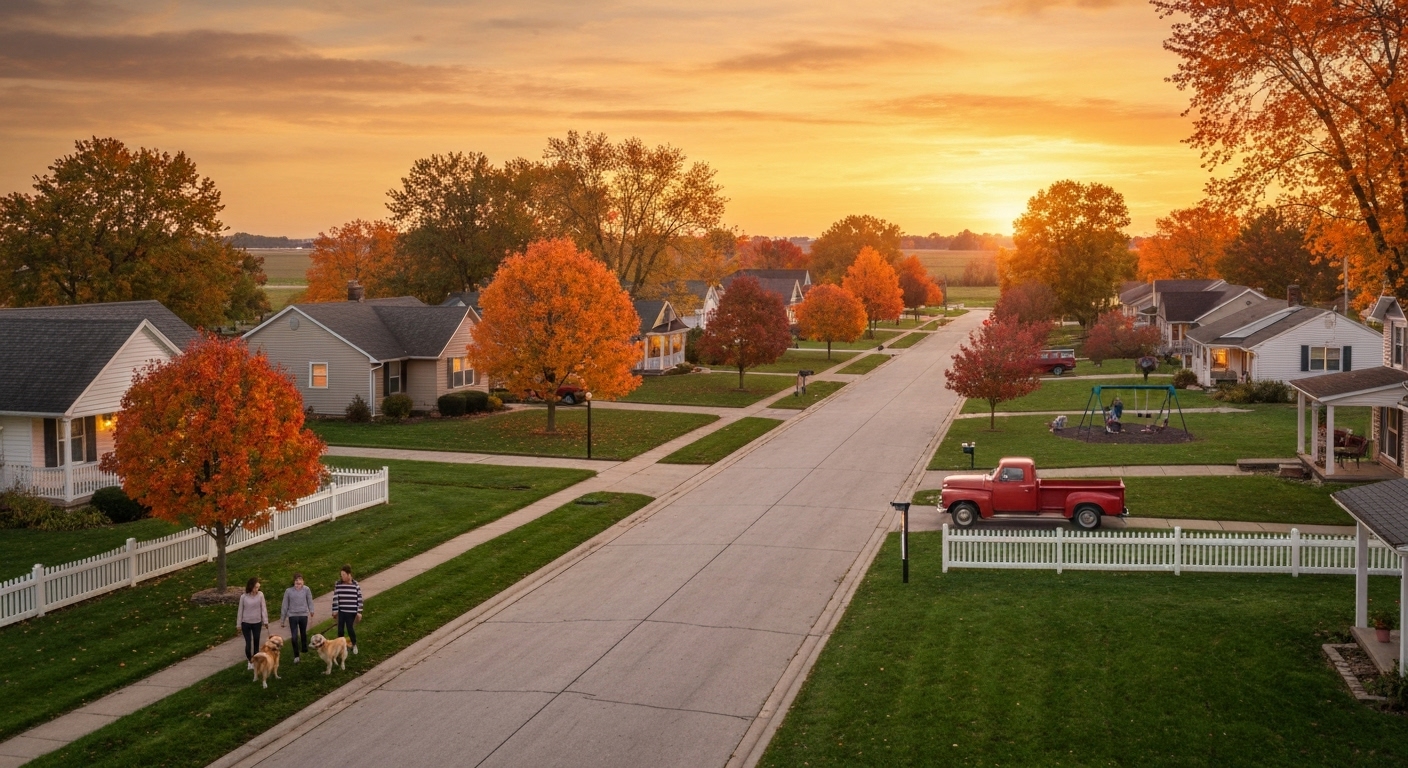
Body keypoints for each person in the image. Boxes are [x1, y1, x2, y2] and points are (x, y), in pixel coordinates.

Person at [280, 572, 315, 664]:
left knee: (303, 633)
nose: (298, 583)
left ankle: (304, 649)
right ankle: (296, 655)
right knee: (294, 637)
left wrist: (311, 610)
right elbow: (284, 605)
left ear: (303, 581)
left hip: (303, 615)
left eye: (300, 581)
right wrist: (282, 620)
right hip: (293, 616)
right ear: (294, 582)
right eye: (296, 581)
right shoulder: (288, 591)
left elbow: (310, 600)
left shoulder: (306, 589)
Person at [237, 577, 269, 670]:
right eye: (255, 587)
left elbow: (263, 608)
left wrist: (265, 621)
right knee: (248, 643)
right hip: (246, 623)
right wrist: (238, 624)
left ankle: (255, 660)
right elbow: (240, 611)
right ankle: (249, 660)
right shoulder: (244, 597)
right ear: (251, 586)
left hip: (257, 622)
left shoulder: (260, 595)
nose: (257, 589)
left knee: (256, 641)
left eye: (258, 587)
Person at [331, 564, 363, 655]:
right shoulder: (338, 584)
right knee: (340, 630)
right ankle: (341, 647)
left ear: (349, 574)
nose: (342, 577)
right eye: (341, 575)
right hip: (342, 611)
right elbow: (335, 598)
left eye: (344, 575)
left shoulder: (355, 584)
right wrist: (334, 611)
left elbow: (359, 599)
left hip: (351, 612)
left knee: (350, 628)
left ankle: (354, 644)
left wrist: (359, 612)